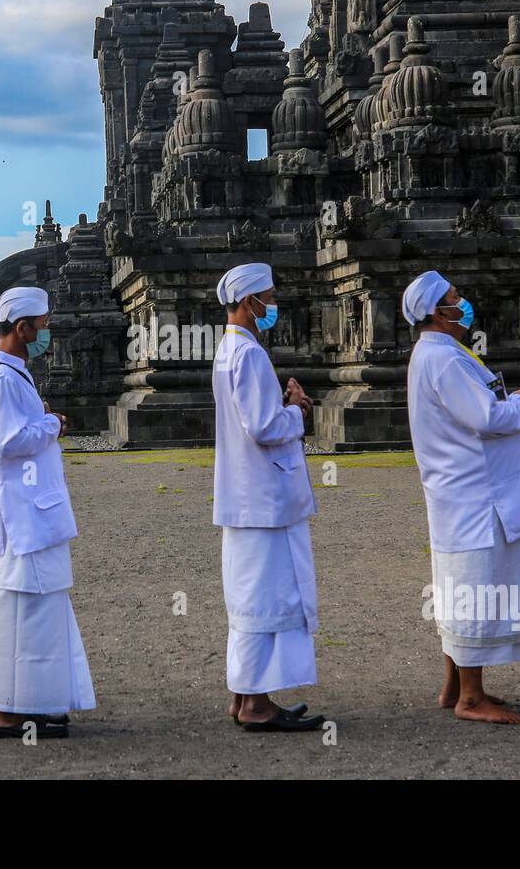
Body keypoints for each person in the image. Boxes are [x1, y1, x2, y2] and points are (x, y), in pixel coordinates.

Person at [402, 270, 520, 725]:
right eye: (457, 297)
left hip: (466, 493)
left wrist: (509, 403)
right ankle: (471, 697)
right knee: (475, 587)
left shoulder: (438, 353)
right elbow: (485, 417)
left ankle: (456, 684)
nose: (465, 302)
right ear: (439, 311)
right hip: (477, 496)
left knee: (461, 583)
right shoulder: (444, 359)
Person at [0, 286, 95, 739]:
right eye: (42, 325)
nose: (46, 332)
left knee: (34, 610)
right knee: (25, 610)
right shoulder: (5, 377)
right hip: (24, 516)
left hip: (29, 512)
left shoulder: (9, 373)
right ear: (22, 328)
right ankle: (11, 712)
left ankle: (30, 702)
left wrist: (41, 422)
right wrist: (52, 424)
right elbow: (9, 442)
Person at [212, 263, 325, 732]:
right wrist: (296, 411)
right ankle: (256, 703)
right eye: (269, 296)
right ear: (248, 301)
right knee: (267, 598)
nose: (273, 305)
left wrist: (281, 406)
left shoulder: (228, 350)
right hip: (264, 498)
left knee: (249, 597)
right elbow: (262, 426)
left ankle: (246, 696)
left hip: (246, 495)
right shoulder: (251, 355)